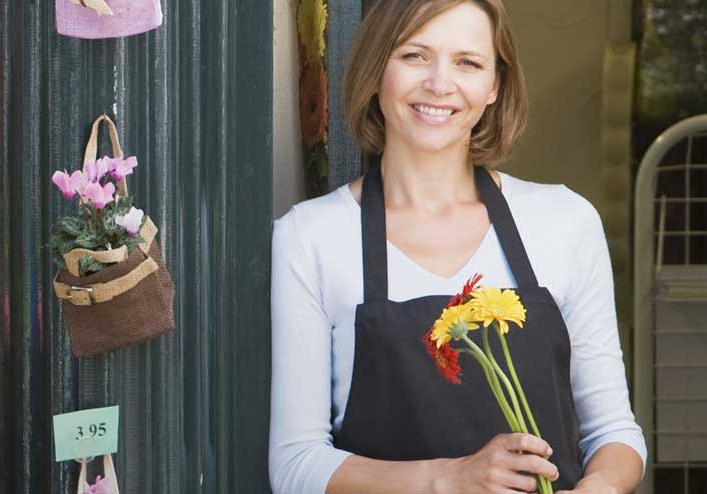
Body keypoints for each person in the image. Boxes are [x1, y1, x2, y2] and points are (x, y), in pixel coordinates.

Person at [268, 1, 647, 492]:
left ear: (494, 85)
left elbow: (615, 433)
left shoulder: (565, 222)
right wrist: (448, 477)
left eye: (468, 62)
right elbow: (296, 466)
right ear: (375, 68)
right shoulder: (311, 236)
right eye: (414, 55)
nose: (440, 84)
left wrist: (599, 488)